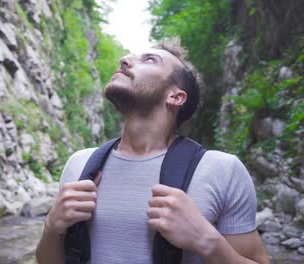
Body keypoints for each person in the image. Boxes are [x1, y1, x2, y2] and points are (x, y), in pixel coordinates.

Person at [36, 38, 269, 264]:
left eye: (149, 60)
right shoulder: (80, 163)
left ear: (175, 97)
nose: (125, 59)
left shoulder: (222, 170)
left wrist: (206, 240)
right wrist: (52, 227)